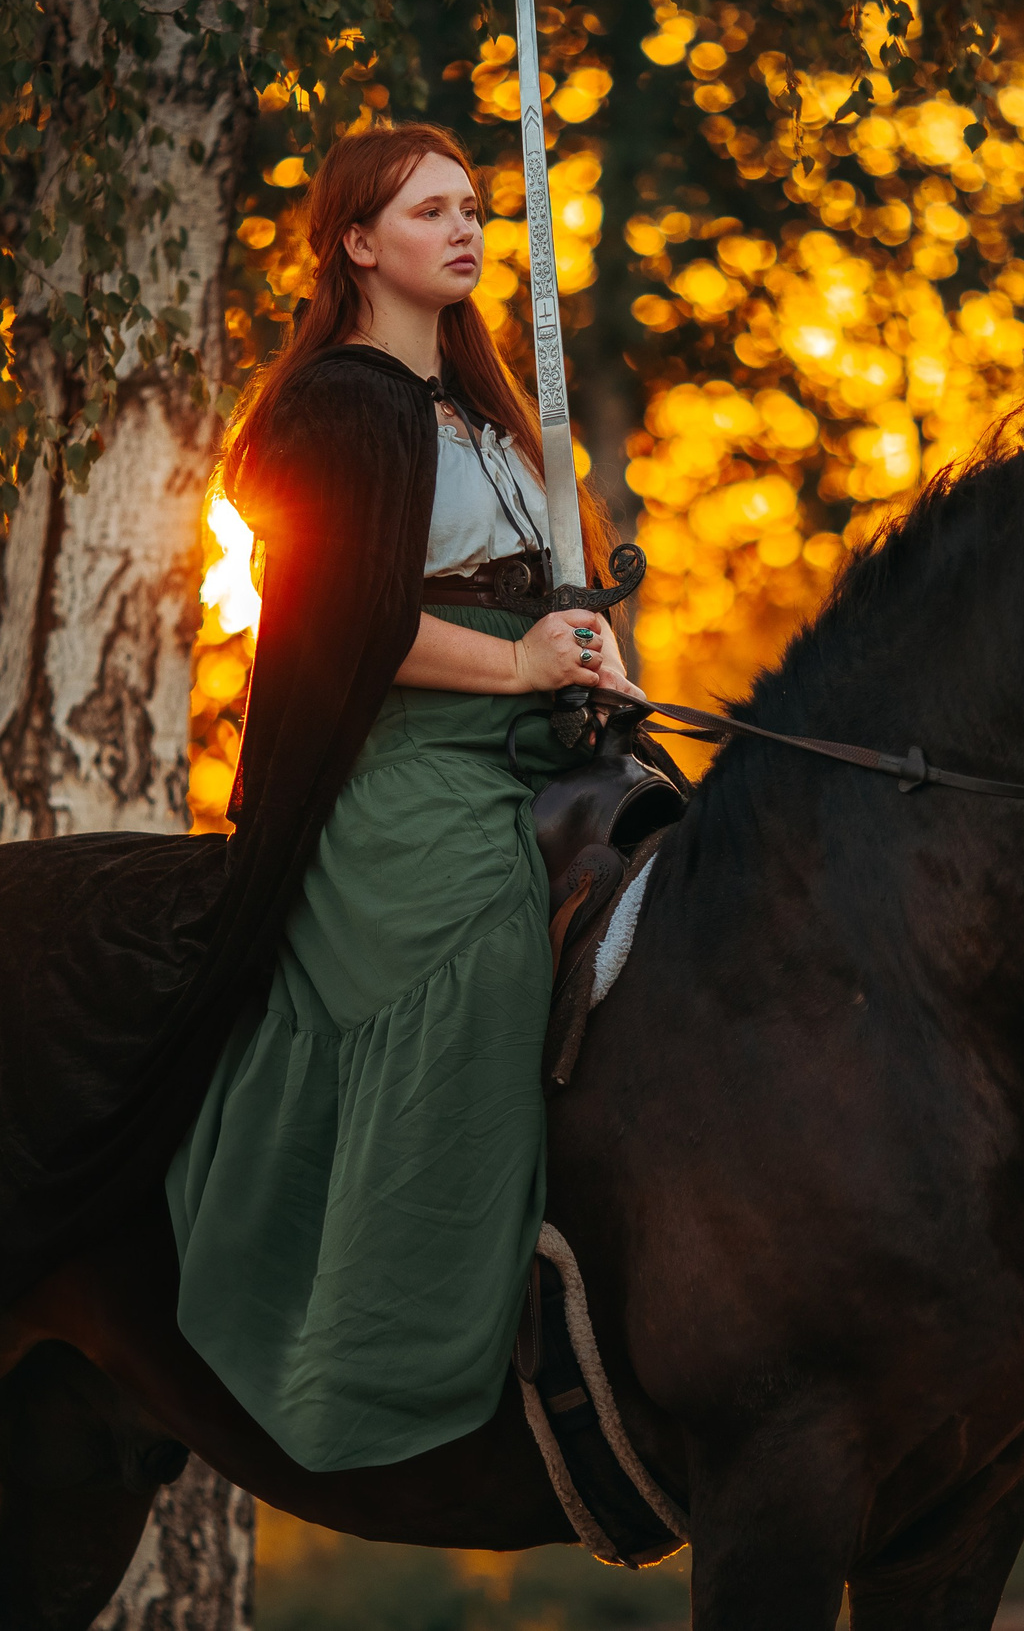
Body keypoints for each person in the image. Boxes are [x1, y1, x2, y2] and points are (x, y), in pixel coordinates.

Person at [162, 122, 640, 1472]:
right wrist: (517, 663)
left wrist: (586, 649)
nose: (468, 228)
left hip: (534, 739)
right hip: (395, 764)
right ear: (360, 244)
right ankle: (419, 1334)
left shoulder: (490, 415)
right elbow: (340, 628)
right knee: (492, 935)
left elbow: (547, 599)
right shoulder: (336, 409)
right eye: (433, 211)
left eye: (476, 209)